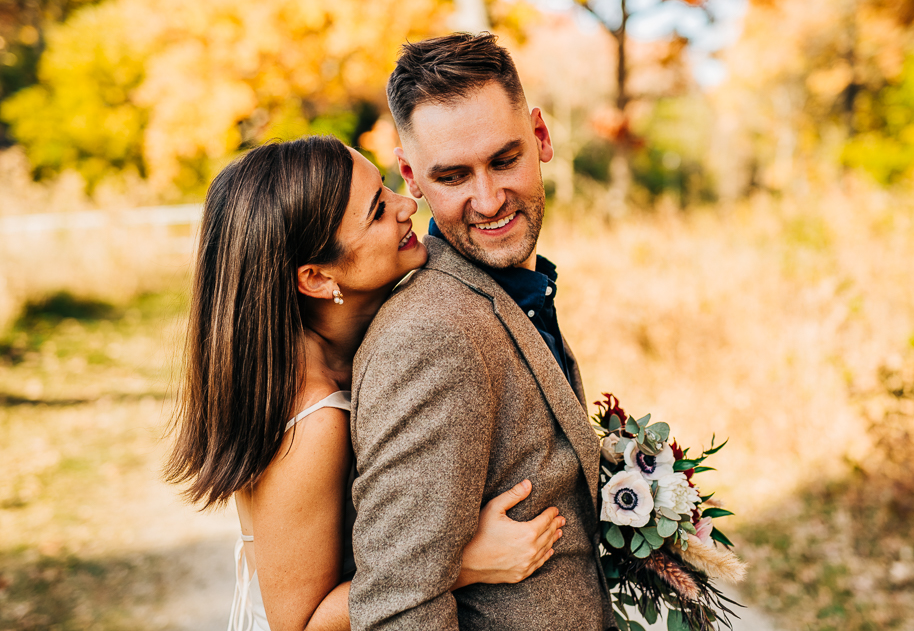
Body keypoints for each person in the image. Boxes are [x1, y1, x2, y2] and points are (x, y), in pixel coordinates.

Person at [165, 135, 567, 631]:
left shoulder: (356, 350)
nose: (407, 203)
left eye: (386, 186)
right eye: (378, 211)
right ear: (315, 278)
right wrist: (465, 562)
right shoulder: (312, 423)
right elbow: (300, 624)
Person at [347, 33, 616, 630]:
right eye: (453, 176)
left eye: (504, 160)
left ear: (540, 138)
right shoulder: (432, 336)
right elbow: (398, 608)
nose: (489, 200)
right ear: (412, 177)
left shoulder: (510, 291)